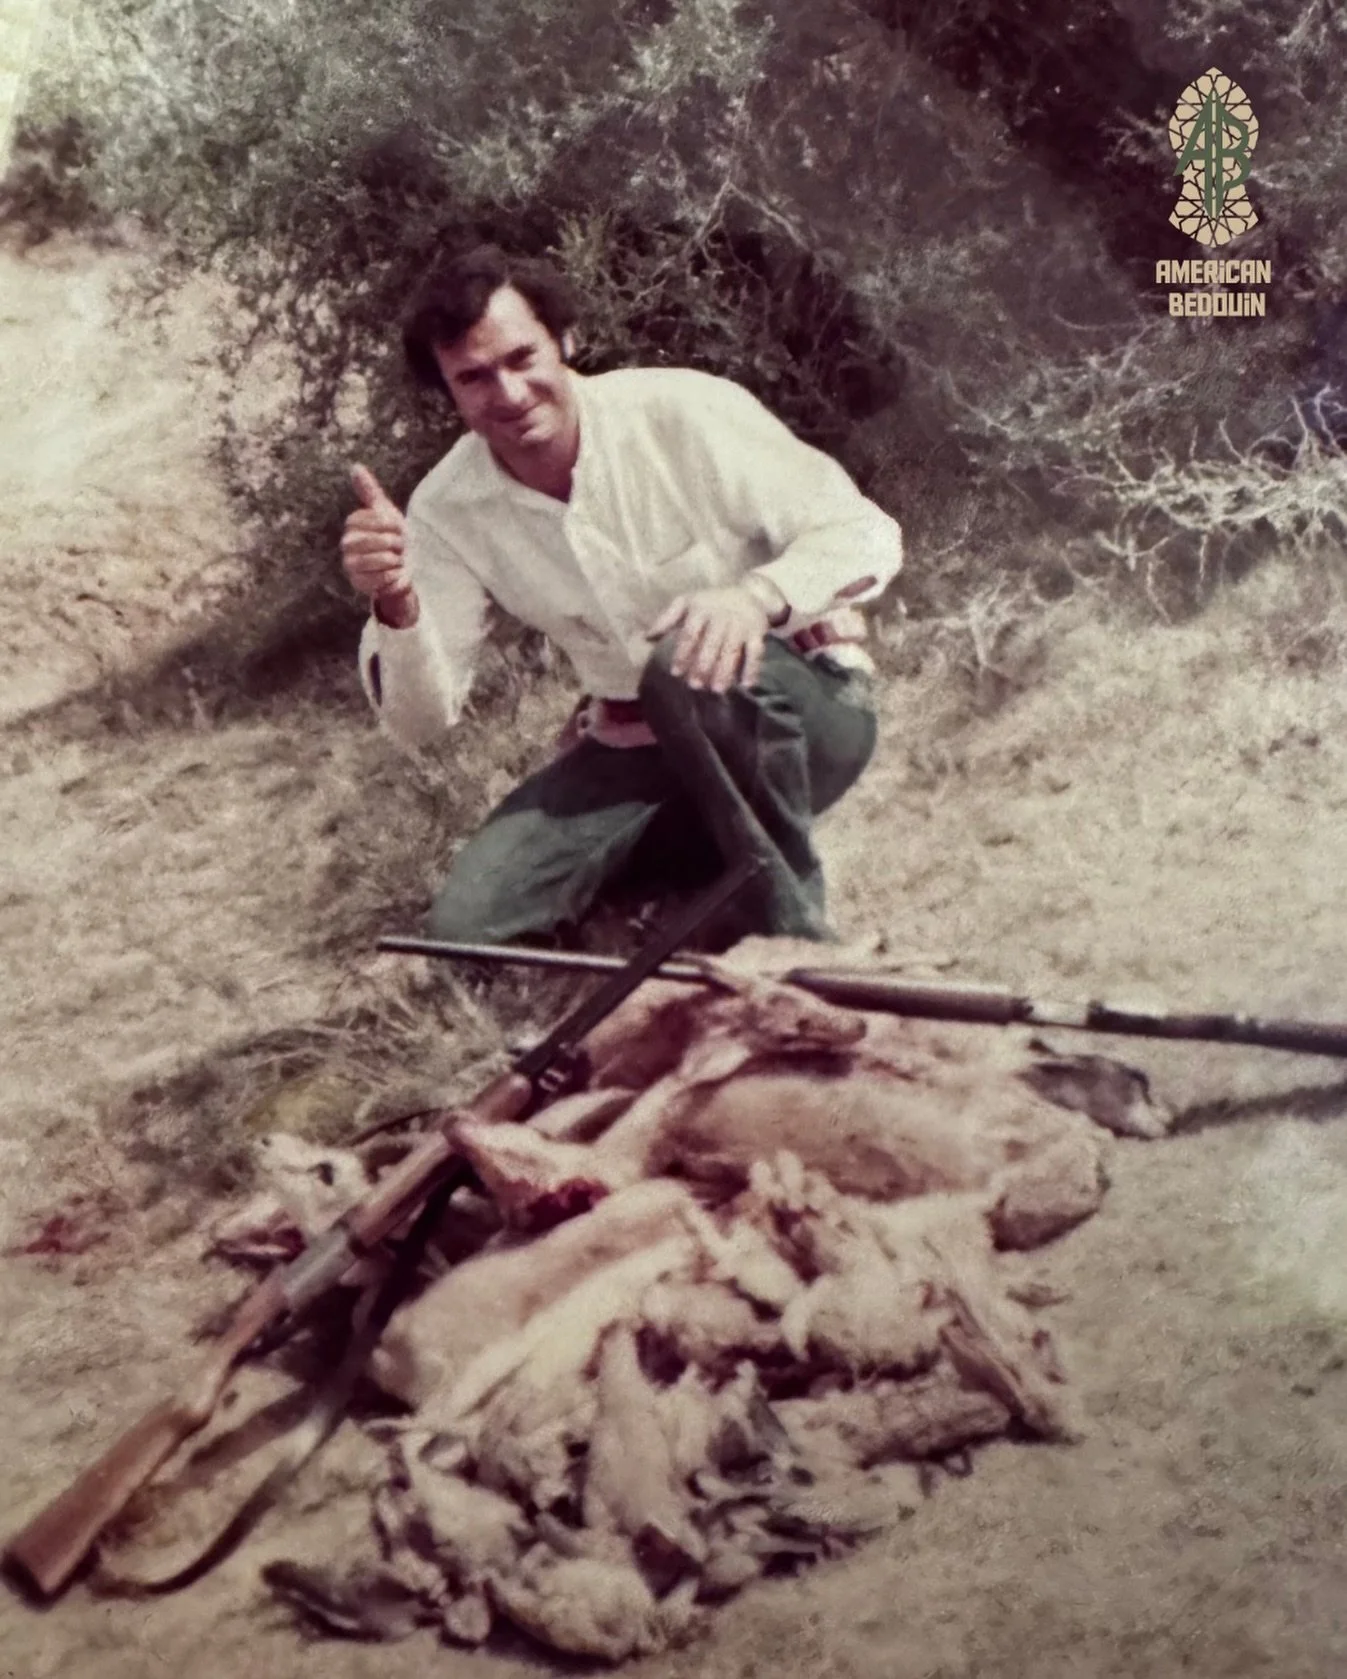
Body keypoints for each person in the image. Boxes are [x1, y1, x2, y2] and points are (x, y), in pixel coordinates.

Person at [340, 244, 902, 946]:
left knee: (679, 662)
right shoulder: (446, 508)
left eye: (521, 359)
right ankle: (694, 880)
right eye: (475, 378)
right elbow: (420, 724)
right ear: (448, 391)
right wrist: (396, 601)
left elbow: (865, 535)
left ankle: (787, 940)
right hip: (635, 746)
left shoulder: (680, 410)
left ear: (566, 341)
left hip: (800, 713)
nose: (509, 395)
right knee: (466, 925)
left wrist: (752, 598)